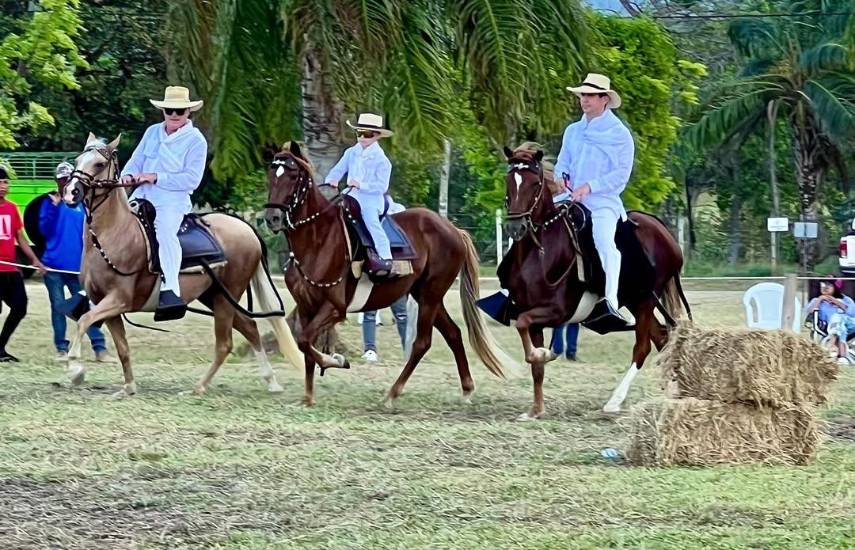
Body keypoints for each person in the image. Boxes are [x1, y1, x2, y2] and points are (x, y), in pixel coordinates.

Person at [120, 86, 208, 320]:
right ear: (163, 111)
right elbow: (136, 160)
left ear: (188, 111)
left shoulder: (196, 140)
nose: (174, 114)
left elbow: (192, 179)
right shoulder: (151, 132)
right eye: (170, 109)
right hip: (140, 196)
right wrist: (128, 175)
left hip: (172, 200)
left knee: (165, 234)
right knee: (113, 227)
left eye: (179, 110)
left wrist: (156, 176)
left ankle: (171, 289)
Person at [554, 73, 634, 325]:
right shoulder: (573, 130)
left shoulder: (620, 135)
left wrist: (590, 187)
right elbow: (563, 160)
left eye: (589, 95)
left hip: (603, 202)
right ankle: (511, 291)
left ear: (604, 100)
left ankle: (610, 301)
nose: (584, 100)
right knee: (533, 222)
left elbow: (621, 175)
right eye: (582, 95)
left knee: (603, 241)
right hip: (568, 196)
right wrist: (561, 175)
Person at [40, 162, 111, 361]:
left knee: (84, 307)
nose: (64, 183)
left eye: (67, 179)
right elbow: (43, 231)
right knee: (58, 306)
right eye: (61, 180)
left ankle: (100, 349)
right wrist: (53, 208)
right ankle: (62, 348)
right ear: (56, 181)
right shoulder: (49, 202)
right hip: (52, 265)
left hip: (77, 267)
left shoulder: (83, 203)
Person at [324, 113, 396, 278]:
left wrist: (361, 184)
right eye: (359, 133)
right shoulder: (351, 152)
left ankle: (386, 257)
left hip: (371, 199)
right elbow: (338, 169)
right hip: (349, 195)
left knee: (371, 221)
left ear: (377, 136)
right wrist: (332, 180)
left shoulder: (382, 161)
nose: (362, 137)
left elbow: (382, 186)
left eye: (367, 134)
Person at [0, 166, 46, 362]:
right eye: (0, 182)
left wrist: (35, 260)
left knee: (20, 307)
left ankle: (0, 348)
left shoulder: (11, 208)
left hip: (11, 268)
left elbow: (20, 237)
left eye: (5, 182)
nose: (3, 186)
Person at [360, 199, 408, 362]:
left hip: (394, 267)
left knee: (401, 313)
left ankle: (408, 349)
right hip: (375, 265)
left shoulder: (397, 209)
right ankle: (370, 349)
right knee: (370, 312)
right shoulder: (364, 206)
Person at [806, 277, 855, 364]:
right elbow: (809, 312)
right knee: (838, 321)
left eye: (829, 284)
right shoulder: (816, 300)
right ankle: (842, 354)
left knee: (838, 318)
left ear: (836, 287)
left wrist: (836, 302)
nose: (825, 287)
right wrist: (820, 299)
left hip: (850, 325)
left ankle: (831, 348)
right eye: (823, 284)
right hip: (830, 327)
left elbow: (852, 313)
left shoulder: (846, 300)